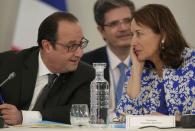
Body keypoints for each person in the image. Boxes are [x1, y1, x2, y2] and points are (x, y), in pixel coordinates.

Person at [0, 12, 95, 125]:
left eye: (81, 44)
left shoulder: (85, 74)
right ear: (47, 46)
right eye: (72, 46)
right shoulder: (8, 63)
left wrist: (24, 117)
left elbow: (81, 113)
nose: (80, 53)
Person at [116, 4, 195, 121]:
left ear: (163, 34)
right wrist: (136, 71)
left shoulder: (191, 64)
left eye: (139, 33)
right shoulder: (138, 70)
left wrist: (170, 120)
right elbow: (122, 119)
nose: (133, 42)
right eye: (132, 35)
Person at [82, 0, 135, 112]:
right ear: (101, 30)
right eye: (114, 24)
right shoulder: (85, 64)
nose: (123, 28)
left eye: (128, 21)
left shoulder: (150, 63)